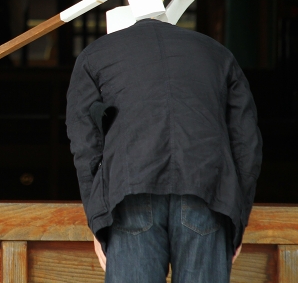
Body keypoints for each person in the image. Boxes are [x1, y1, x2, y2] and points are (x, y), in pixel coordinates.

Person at [65, 18, 262, 282]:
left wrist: (98, 218)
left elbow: (86, 145)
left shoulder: (95, 55)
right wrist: (237, 219)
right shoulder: (217, 53)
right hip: (207, 190)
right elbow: (246, 145)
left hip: (130, 192)